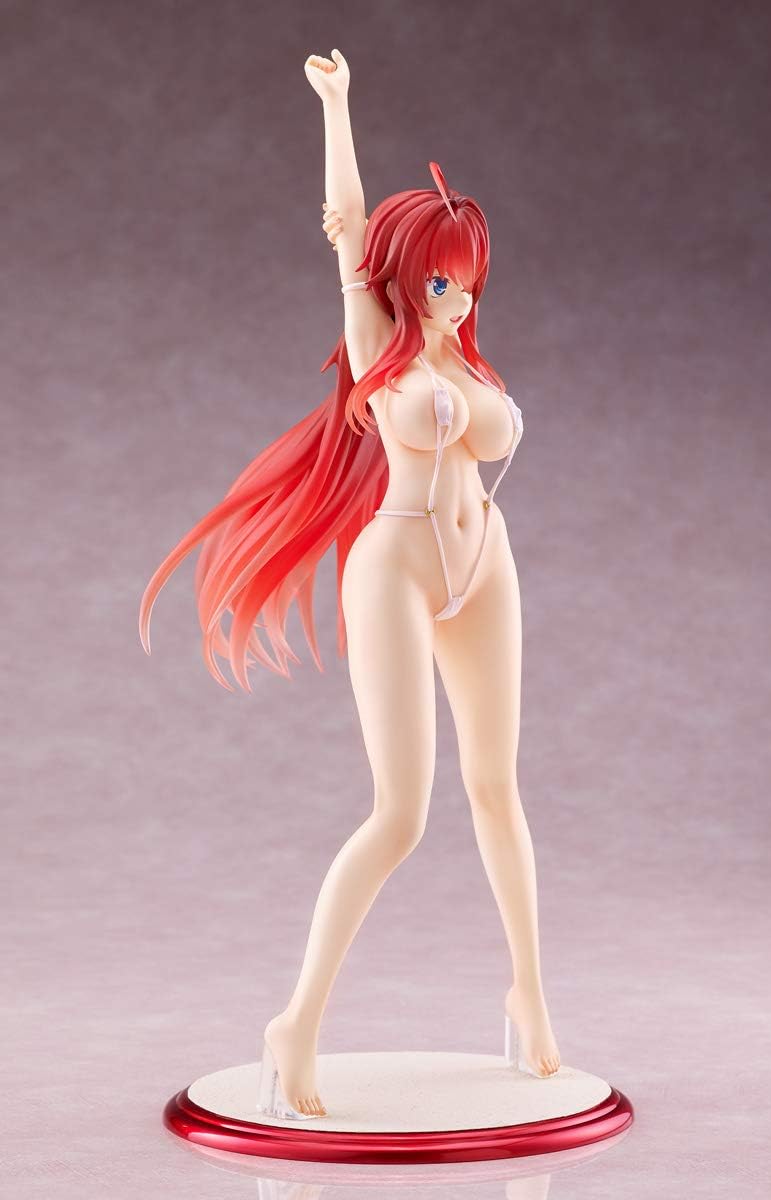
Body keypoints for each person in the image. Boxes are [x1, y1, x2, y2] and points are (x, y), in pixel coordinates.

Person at [139, 46, 560, 1121]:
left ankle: (527, 992)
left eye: (467, 280)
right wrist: (336, 107)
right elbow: (346, 225)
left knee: (498, 787)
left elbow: (483, 427)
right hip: (399, 566)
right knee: (401, 813)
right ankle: (297, 1021)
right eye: (438, 279)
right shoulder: (378, 341)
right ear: (405, 276)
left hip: (485, 563)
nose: (456, 297)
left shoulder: (466, 359)